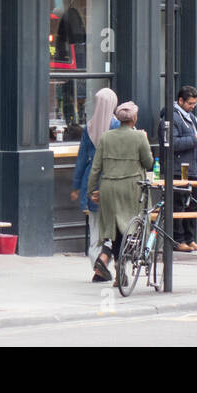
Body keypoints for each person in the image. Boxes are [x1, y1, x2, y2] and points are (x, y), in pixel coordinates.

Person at [87, 100, 153, 282]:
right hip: (131, 188)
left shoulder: (106, 137)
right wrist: (145, 140)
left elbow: (95, 167)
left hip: (108, 188)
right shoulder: (139, 137)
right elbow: (149, 163)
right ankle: (121, 264)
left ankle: (117, 269)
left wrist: (91, 190)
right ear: (134, 118)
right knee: (130, 227)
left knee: (114, 229)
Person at [70, 87, 120, 282]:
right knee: (114, 226)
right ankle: (105, 261)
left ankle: (97, 266)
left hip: (91, 181)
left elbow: (81, 159)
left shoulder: (88, 127)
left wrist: (76, 186)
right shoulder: (117, 126)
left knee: (94, 228)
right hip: (111, 180)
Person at [169, 85, 197, 252]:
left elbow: (196, 146)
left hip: (193, 168)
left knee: (193, 204)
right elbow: (173, 143)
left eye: (195, 103)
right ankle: (178, 240)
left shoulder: (192, 118)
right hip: (179, 169)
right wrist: (194, 138)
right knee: (178, 205)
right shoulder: (172, 117)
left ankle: (190, 238)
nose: (193, 106)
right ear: (180, 101)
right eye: (190, 103)